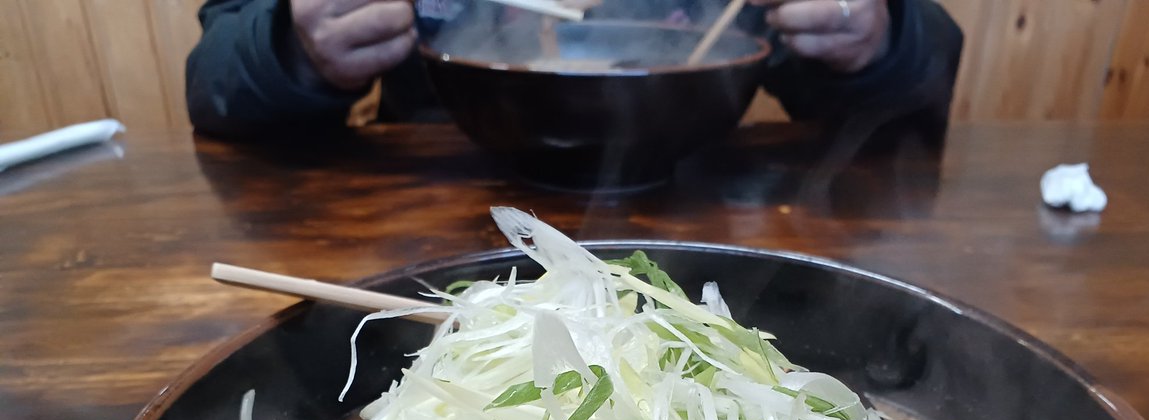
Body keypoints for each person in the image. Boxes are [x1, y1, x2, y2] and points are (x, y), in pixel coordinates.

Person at [185, 0, 962, 140]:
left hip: (704, 228)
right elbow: (214, 81)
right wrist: (293, 46)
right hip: (427, 241)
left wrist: (877, 37)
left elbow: (923, 72)